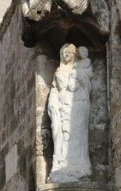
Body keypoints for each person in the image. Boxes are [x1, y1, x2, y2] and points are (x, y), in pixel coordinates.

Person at [47, 43, 92, 183]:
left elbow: (87, 85)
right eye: (64, 54)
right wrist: (53, 106)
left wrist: (78, 78)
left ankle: (79, 167)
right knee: (62, 134)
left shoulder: (81, 68)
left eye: (68, 53)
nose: (66, 56)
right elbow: (55, 91)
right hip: (62, 108)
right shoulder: (59, 71)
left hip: (78, 105)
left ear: (74, 54)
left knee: (77, 134)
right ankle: (62, 164)